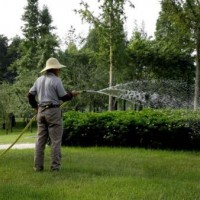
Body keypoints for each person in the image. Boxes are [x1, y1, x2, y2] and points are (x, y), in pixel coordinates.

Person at [28, 57, 80, 172]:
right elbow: (64, 97)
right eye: (59, 69)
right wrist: (72, 94)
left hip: (41, 112)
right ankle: (55, 168)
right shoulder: (56, 80)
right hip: (53, 112)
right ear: (55, 69)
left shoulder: (39, 80)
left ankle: (38, 167)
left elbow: (30, 95)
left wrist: (36, 107)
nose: (59, 71)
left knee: (40, 141)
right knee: (55, 141)